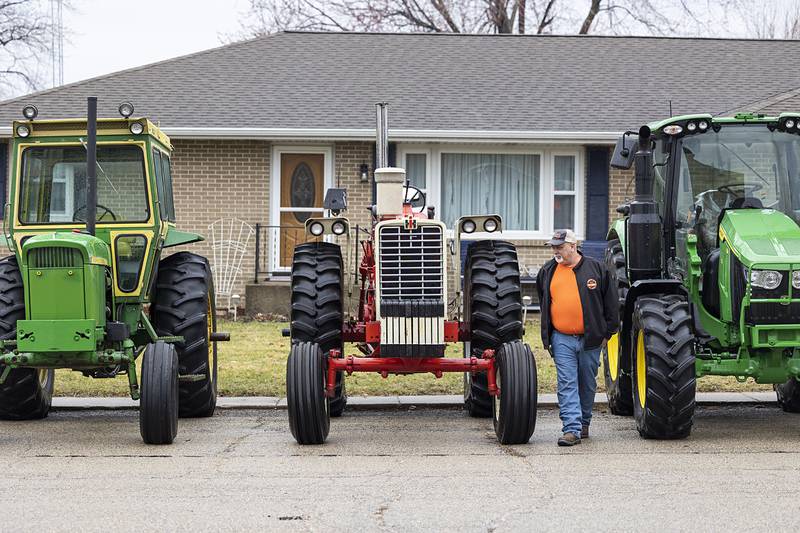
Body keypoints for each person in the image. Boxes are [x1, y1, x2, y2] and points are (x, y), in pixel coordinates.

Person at [536, 229, 619, 447]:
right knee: (567, 382)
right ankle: (571, 428)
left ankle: (583, 423)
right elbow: (544, 302)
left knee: (587, 384)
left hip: (591, 339)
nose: (556, 251)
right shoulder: (547, 271)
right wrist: (548, 336)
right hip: (561, 338)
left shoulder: (596, 269)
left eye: (560, 247)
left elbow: (611, 304)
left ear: (573, 246)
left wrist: (607, 333)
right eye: (553, 247)